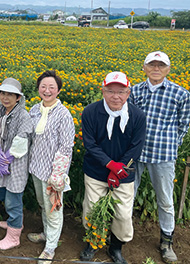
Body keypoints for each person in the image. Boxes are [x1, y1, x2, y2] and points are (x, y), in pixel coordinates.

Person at [128, 51, 190, 264]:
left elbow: (184, 124)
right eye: (152, 65)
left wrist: (173, 143)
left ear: (168, 69)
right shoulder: (134, 91)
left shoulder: (180, 93)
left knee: (164, 199)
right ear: (144, 67)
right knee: (128, 194)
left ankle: (166, 241)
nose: (156, 69)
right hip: (136, 154)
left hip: (164, 154)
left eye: (161, 65)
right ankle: (121, 234)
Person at [81, 72, 146, 263]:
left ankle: (116, 247)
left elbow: (137, 146)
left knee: (123, 214)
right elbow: (90, 144)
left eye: (121, 91)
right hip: (95, 171)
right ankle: (92, 242)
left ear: (128, 93)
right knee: (92, 209)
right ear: (103, 91)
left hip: (125, 173)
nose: (115, 96)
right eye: (110, 91)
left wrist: (119, 169)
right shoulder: (91, 112)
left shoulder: (137, 116)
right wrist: (109, 165)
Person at [27, 70, 75, 263]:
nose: (47, 90)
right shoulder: (34, 110)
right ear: (38, 88)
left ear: (58, 90)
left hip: (53, 172)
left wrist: (58, 174)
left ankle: (50, 248)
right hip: (36, 168)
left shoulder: (64, 115)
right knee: (43, 204)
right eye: (43, 86)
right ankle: (47, 234)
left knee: (53, 209)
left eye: (51, 87)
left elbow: (66, 146)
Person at [0, 78, 33, 250]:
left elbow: (22, 140)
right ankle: (15, 222)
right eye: (2, 93)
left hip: (15, 162)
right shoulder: (1, 110)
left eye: (10, 94)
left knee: (13, 198)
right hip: (2, 160)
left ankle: (14, 235)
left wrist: (7, 158)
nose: (5, 97)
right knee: (1, 191)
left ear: (18, 98)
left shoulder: (23, 115)